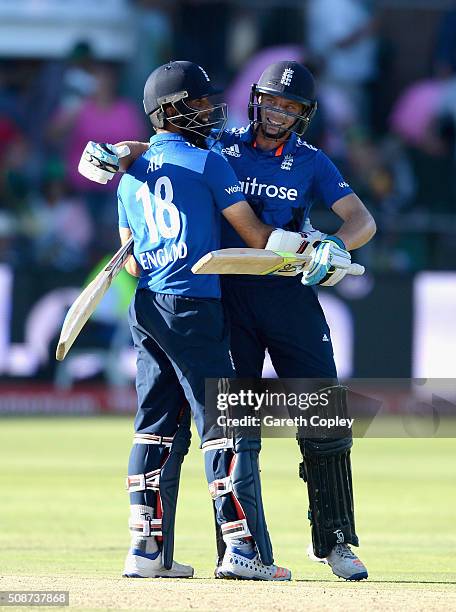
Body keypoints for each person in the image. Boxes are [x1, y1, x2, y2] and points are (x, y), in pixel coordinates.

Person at [78, 60, 376, 580]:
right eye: (271, 101)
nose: (278, 113)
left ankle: (335, 542)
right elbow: (162, 148)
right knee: (237, 427)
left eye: (291, 107)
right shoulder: (222, 145)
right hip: (225, 298)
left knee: (323, 414)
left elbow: (362, 220)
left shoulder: (312, 160)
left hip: (288, 296)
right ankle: (242, 551)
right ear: (255, 98)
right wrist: (119, 151)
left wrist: (334, 242)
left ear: (304, 114)